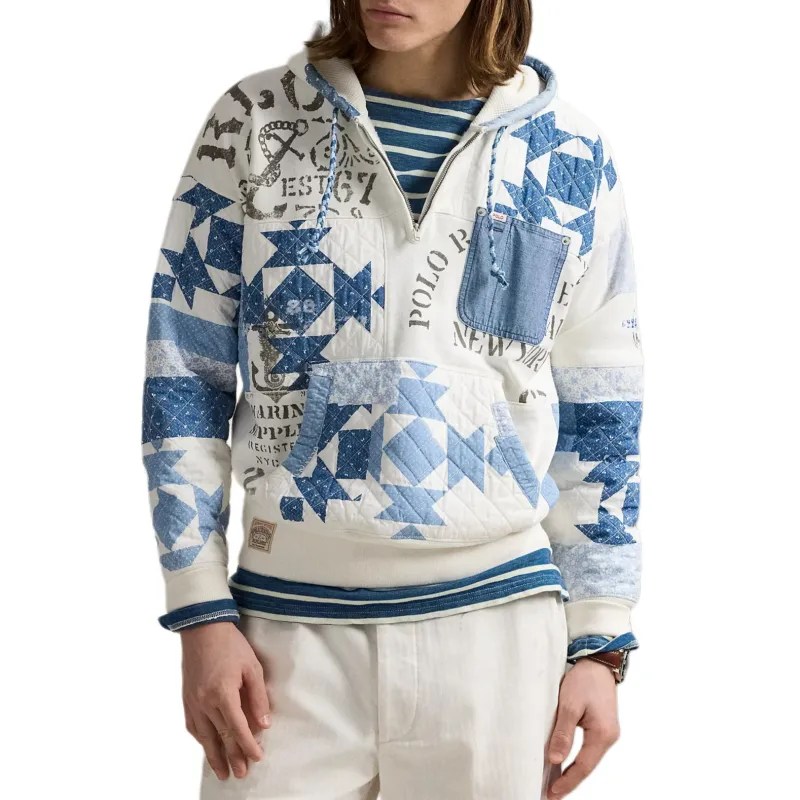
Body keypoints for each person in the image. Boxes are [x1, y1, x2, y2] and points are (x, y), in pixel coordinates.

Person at [140, 2, 644, 797]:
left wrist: (600, 639)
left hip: (498, 635)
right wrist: (199, 609)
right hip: (284, 637)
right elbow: (184, 375)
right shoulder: (254, 121)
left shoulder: (569, 153)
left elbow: (603, 408)